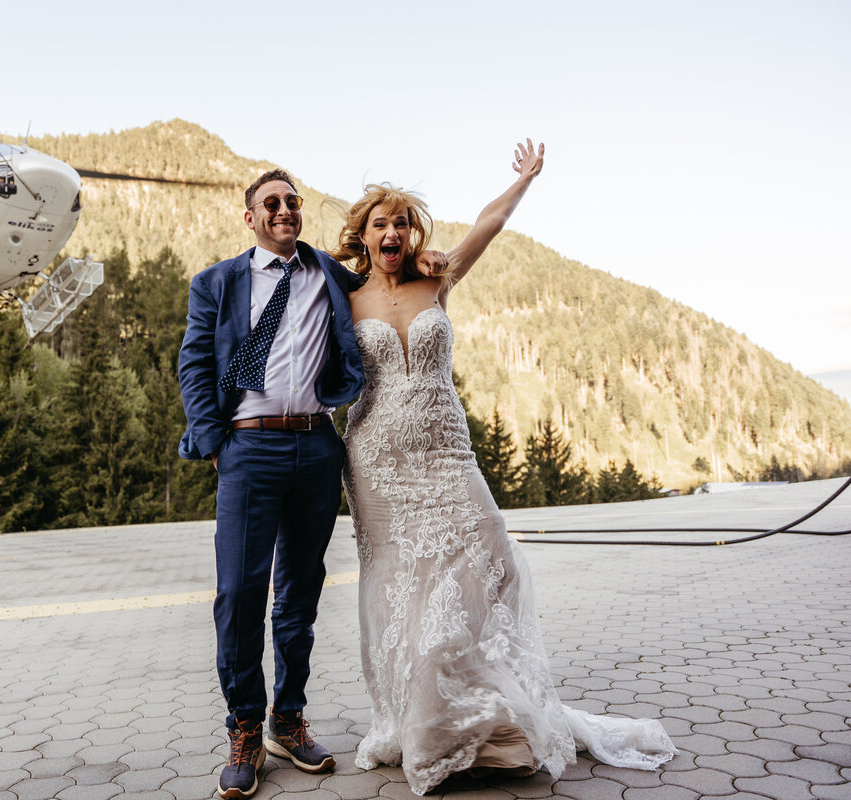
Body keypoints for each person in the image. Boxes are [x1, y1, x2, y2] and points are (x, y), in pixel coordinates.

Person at [331, 140, 677, 794]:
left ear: (413, 234)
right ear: (364, 234)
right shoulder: (343, 297)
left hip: (446, 451)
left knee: (490, 559)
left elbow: (487, 225)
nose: (393, 232)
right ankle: (420, 726)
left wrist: (523, 180)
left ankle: (485, 713)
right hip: (378, 461)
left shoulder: (438, 277)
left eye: (402, 223)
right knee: (397, 591)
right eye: (381, 223)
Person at [177, 168, 364, 799]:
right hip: (247, 446)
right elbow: (195, 364)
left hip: (316, 444)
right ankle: (245, 729)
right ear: (251, 216)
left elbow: (391, 276)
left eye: (292, 202)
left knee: (300, 592)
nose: (285, 210)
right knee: (239, 593)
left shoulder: (330, 276)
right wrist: (217, 446)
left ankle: (288, 719)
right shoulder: (217, 283)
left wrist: (430, 255)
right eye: (272, 203)